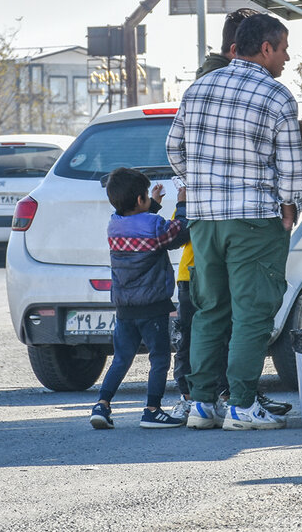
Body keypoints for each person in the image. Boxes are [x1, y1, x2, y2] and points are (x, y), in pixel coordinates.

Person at [166, 13, 302, 431]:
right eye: (282, 48)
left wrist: (196, 185)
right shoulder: (277, 96)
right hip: (255, 221)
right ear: (265, 48)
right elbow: (291, 166)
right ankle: (243, 405)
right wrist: (289, 206)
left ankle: (203, 405)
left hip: (205, 221)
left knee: (209, 310)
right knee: (253, 313)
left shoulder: (198, 89)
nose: (286, 57)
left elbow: (174, 147)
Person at [89, 168, 190, 430]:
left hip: (124, 307)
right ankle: (152, 410)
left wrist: (152, 204)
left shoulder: (114, 224)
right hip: (152, 306)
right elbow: (178, 234)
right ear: (138, 200)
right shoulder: (154, 226)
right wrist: (182, 202)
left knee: (121, 358)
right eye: (145, 196)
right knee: (159, 358)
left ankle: (102, 404)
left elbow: (141, 225)